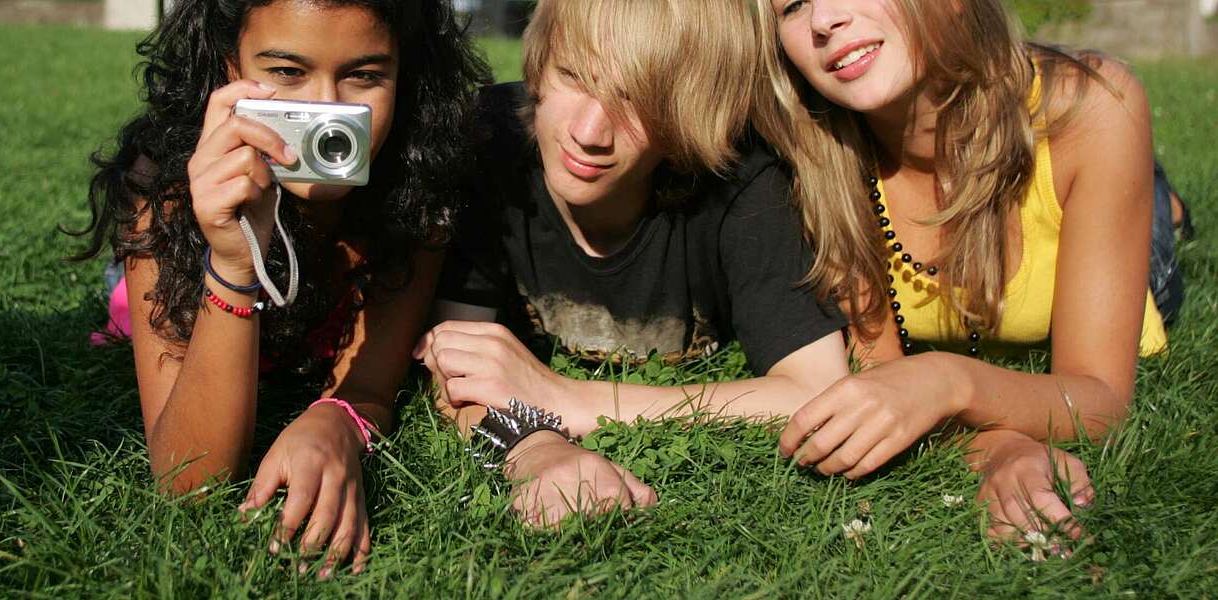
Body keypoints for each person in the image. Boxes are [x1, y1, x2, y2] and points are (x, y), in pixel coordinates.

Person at [73, 0, 488, 576]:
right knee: (133, 301)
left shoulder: (419, 185)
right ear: (228, 70)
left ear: (404, 73)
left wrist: (336, 419)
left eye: (365, 75)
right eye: (288, 73)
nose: (327, 111)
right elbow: (189, 476)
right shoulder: (167, 189)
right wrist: (232, 262)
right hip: (187, 269)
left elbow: (367, 383)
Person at [750, 0, 1187, 542]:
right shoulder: (819, 158)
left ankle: (1164, 203)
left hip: (1130, 244)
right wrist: (1002, 448)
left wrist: (948, 378)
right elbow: (883, 387)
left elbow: (1101, 400)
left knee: (1156, 236)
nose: (823, 20)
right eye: (792, 6)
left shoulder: (1094, 107)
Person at [422, 0, 850, 528]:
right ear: (538, 64)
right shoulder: (487, 145)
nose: (589, 132)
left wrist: (574, 399)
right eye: (575, 76)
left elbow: (814, 389)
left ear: (691, 112)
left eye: (637, 101)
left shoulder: (744, 182)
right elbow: (457, 362)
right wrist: (535, 449)